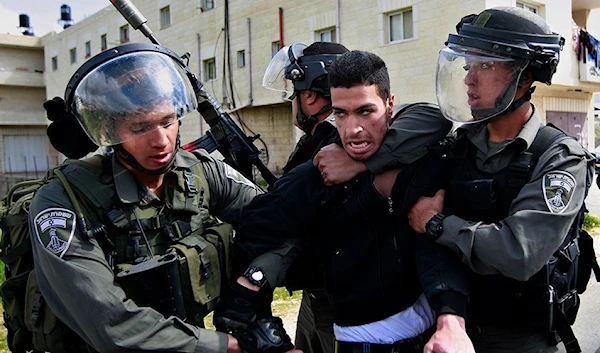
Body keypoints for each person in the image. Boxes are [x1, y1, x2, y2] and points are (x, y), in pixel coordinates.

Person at [28, 42, 297, 353]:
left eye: (167, 121)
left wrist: (253, 281)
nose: (160, 141)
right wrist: (230, 346)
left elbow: (279, 222)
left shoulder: (201, 173)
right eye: (139, 127)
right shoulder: (64, 201)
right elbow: (110, 325)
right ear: (108, 130)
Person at [214, 50, 474, 353]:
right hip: (356, 338)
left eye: (365, 111)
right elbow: (260, 228)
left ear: (390, 105)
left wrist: (450, 315)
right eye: (340, 113)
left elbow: (434, 248)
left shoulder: (421, 160)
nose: (352, 129)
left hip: (432, 335)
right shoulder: (316, 175)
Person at [404, 7, 595, 353]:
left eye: (486, 66)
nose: (468, 79)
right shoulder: (460, 146)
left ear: (524, 77)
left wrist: (436, 225)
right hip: (450, 332)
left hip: (520, 340)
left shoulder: (559, 157)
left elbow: (518, 252)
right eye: (468, 65)